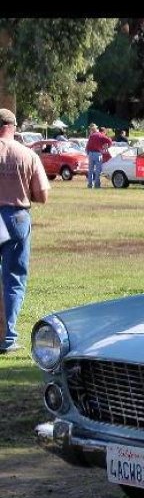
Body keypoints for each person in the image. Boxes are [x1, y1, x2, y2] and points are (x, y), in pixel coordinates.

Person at [0, 108, 50, 354]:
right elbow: (43, 195)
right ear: (12, 127)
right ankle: (7, 337)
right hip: (15, 217)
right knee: (13, 278)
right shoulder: (26, 154)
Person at [84, 123, 111, 188]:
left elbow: (87, 146)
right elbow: (109, 141)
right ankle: (97, 184)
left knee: (90, 170)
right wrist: (107, 146)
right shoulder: (100, 135)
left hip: (91, 154)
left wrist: (88, 153)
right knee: (98, 170)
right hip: (98, 154)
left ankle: (90, 184)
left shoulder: (91, 136)